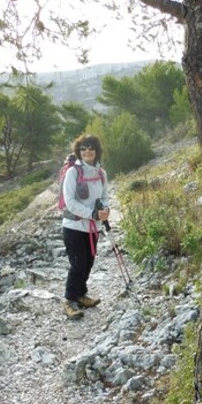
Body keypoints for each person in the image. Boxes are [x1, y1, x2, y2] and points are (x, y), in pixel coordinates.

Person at [61, 134, 110, 320]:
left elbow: (105, 197)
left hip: (93, 227)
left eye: (91, 147)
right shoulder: (73, 172)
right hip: (73, 226)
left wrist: (105, 209)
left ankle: (81, 294)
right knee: (77, 264)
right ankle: (69, 301)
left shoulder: (101, 173)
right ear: (78, 152)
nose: (87, 150)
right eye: (83, 148)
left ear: (97, 150)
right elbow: (70, 202)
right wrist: (93, 214)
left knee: (88, 262)